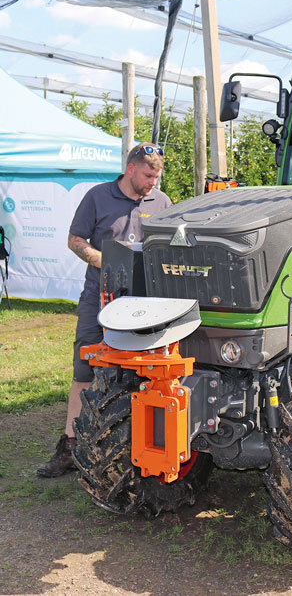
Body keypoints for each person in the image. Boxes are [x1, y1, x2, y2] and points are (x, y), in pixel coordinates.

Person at [36, 142, 171, 478]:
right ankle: (69, 445)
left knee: (144, 370)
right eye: (147, 175)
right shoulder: (98, 196)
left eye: (157, 176)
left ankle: (134, 444)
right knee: (85, 366)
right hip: (99, 295)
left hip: (145, 302)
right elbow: (75, 239)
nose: (152, 182)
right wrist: (103, 260)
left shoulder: (162, 202)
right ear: (130, 169)